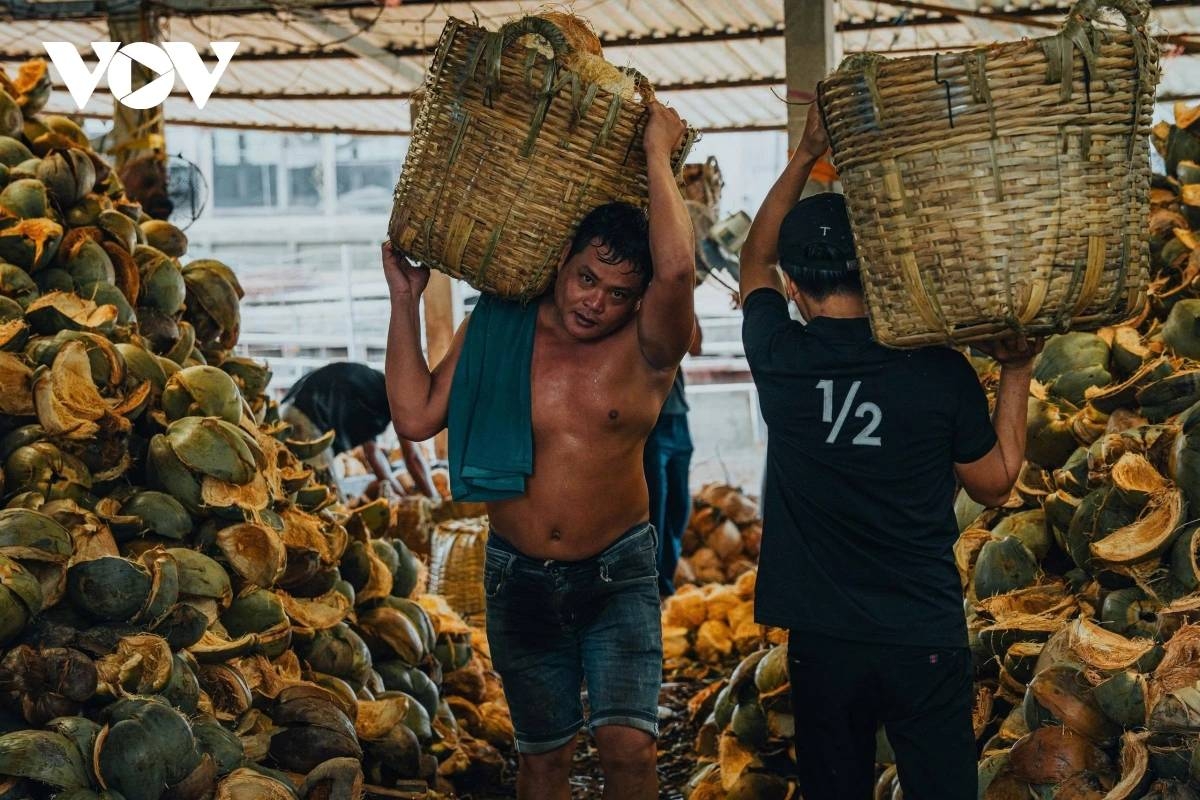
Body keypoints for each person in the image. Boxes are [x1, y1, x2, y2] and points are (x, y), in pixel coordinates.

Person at [382, 102, 693, 800]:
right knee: (544, 763)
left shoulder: (648, 349)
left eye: (618, 294)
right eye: (587, 278)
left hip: (618, 575)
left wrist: (656, 156)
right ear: (562, 261)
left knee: (631, 753)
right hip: (518, 578)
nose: (596, 302)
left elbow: (676, 275)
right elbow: (414, 414)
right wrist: (405, 300)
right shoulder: (497, 323)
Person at [738, 102, 1040, 800]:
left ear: (793, 289)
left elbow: (753, 254)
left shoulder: (779, 358)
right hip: (922, 633)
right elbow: (995, 482)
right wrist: (1018, 370)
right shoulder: (937, 369)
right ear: (877, 273)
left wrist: (806, 151)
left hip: (823, 638)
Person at [279, 362, 436, 502]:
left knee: (304, 497)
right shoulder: (391, 397)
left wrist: (402, 496)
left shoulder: (374, 391)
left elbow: (373, 455)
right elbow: (413, 457)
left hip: (288, 414)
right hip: (305, 420)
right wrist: (434, 500)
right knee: (330, 503)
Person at [644, 317, 701, 597]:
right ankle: (654, 587)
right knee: (657, 507)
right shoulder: (636, 303)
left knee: (679, 507)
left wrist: (685, 295)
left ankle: (664, 579)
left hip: (677, 417)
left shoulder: (675, 303)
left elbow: (697, 346)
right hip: (650, 422)